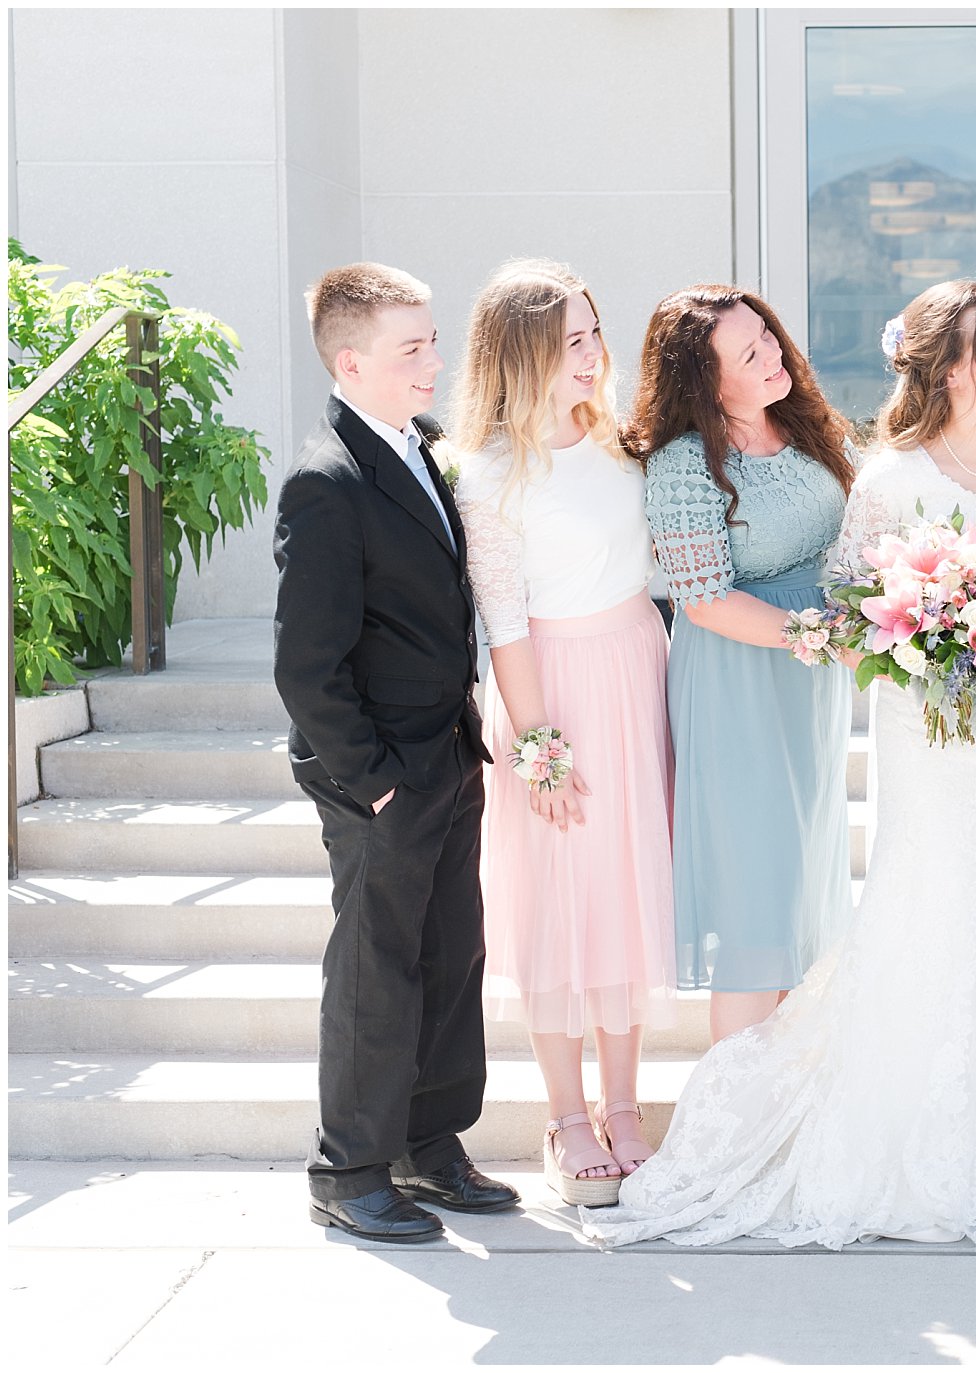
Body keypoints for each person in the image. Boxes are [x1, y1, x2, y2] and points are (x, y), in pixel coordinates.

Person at [584, 279, 976, 1249]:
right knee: (911, 896)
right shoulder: (877, 475)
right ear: (949, 370)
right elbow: (858, 589)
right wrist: (926, 622)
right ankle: (849, 1118)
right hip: (892, 715)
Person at [273, 263, 517, 1243]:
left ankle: (430, 1141)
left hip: (449, 752)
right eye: (411, 347)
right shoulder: (325, 481)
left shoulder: (423, 447)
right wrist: (368, 777)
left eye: (431, 340)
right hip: (381, 772)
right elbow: (306, 663)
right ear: (351, 360)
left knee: (451, 952)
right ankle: (350, 1167)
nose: (434, 361)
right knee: (377, 970)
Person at [445, 260, 677, 1207]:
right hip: (553, 690)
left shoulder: (624, 442)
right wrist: (536, 745)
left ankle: (626, 1107)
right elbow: (502, 620)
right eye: (573, 339)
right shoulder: (489, 471)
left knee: (623, 891)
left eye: (594, 332)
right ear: (525, 353)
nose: (594, 352)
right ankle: (566, 1115)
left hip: (636, 669)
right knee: (557, 904)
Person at [629, 286, 856, 1043]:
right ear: (706, 381)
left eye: (768, 335)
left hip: (809, 685)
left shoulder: (804, 428)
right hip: (739, 684)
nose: (773, 354)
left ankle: (784, 1115)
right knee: (758, 908)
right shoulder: (686, 463)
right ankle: (732, 1129)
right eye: (748, 352)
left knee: (798, 899)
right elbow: (703, 599)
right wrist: (821, 634)